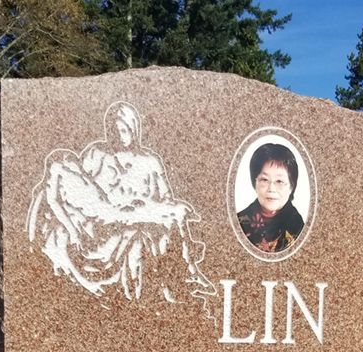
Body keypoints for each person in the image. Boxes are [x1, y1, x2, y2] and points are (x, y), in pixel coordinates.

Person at [28, 102, 215, 311]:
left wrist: (147, 204)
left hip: (139, 214)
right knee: (160, 223)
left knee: (172, 217)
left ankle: (185, 275)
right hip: (107, 225)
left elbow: (165, 196)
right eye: (115, 131)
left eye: (125, 130)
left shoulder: (150, 161)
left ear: (134, 130)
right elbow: (82, 191)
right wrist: (75, 227)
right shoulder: (96, 154)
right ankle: (177, 278)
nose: (120, 135)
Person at [237, 143, 304, 253]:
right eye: (264, 180)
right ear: (255, 183)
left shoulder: (298, 228)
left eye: (279, 181)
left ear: (291, 186)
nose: (271, 189)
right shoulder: (238, 223)